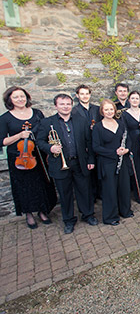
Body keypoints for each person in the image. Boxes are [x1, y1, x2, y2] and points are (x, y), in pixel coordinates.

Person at [37, 94, 97, 234]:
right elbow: (39, 141)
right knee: (65, 194)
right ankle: (69, 220)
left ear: (71, 105)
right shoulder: (47, 123)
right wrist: (50, 148)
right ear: (56, 106)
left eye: (68, 104)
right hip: (60, 164)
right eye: (62, 104)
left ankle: (88, 215)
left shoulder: (81, 120)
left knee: (84, 191)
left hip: (79, 162)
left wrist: (91, 160)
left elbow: (89, 141)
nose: (65, 107)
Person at [0, 86, 56, 229]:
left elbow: (44, 131)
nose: (20, 99)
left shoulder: (37, 113)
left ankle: (43, 211)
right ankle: (29, 213)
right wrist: (19, 135)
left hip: (37, 153)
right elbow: (2, 141)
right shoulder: (5, 118)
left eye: (22, 96)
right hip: (19, 157)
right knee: (23, 187)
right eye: (16, 97)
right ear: (10, 100)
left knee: (41, 183)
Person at [92, 99, 133, 226]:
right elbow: (96, 147)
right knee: (110, 190)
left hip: (122, 160)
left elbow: (128, 139)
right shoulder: (98, 127)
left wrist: (126, 149)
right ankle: (111, 217)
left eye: (111, 109)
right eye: (106, 109)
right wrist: (114, 152)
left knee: (124, 187)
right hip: (107, 162)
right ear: (102, 111)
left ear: (114, 110)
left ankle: (125, 210)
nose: (109, 112)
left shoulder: (120, 123)